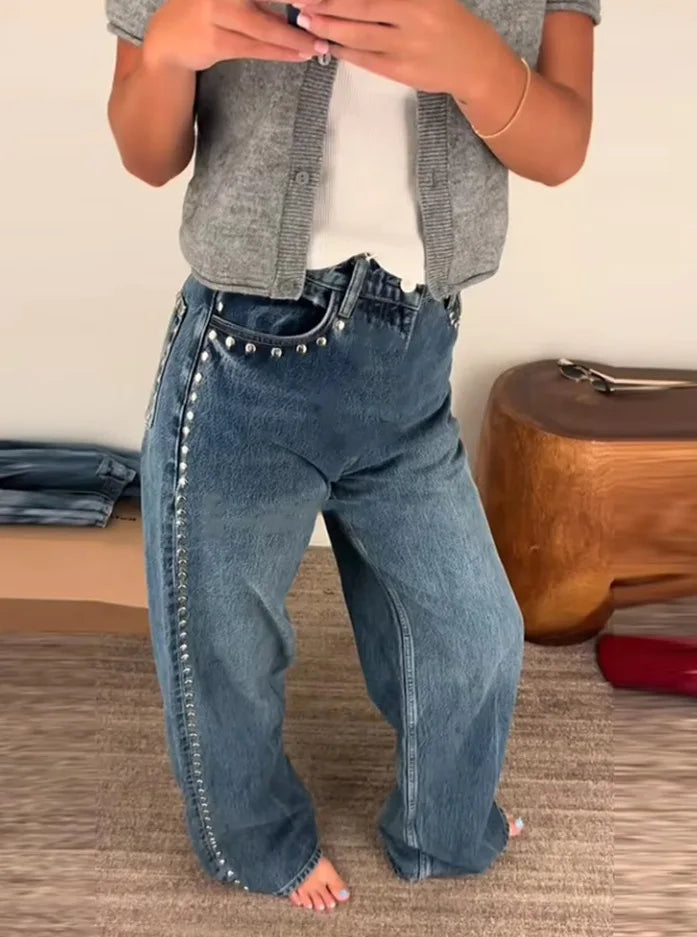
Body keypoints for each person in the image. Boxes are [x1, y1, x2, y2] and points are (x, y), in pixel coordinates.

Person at [106, 0, 600, 914]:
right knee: (221, 640)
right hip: (246, 352)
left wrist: (477, 61)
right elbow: (146, 152)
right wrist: (170, 44)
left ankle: (442, 824)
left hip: (412, 353)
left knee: (473, 636)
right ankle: (254, 842)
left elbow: (561, 146)